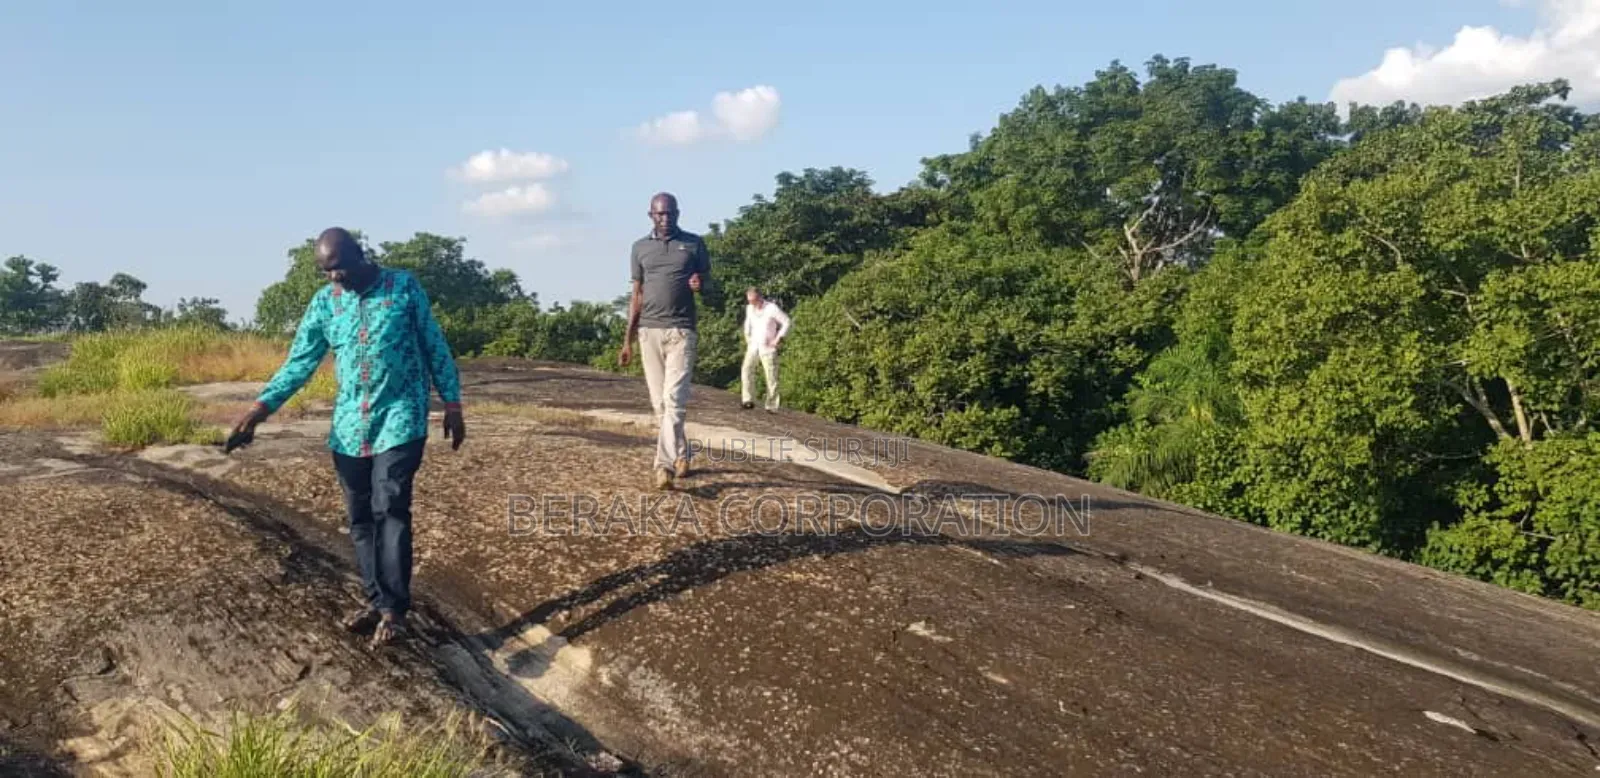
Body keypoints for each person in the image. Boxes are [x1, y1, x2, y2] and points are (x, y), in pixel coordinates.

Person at [227, 227, 466, 647]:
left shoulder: (403, 287)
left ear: (360, 254)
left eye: (339, 267)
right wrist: (259, 409)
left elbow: (434, 344)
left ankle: (394, 610)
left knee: (390, 506)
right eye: (326, 271)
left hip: (400, 416)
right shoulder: (325, 303)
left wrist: (453, 403)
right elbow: (299, 362)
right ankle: (377, 600)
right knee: (360, 518)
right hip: (350, 427)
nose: (334, 277)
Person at [619, 192, 713, 490]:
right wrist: (628, 339)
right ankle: (682, 453)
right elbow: (636, 295)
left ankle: (664, 466)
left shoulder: (694, 244)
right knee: (660, 405)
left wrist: (700, 285)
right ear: (651, 215)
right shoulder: (639, 248)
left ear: (678, 214)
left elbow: (710, 284)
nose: (665, 218)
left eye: (670, 213)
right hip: (649, 331)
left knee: (675, 401)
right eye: (660, 214)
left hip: (681, 331)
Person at [740, 287, 790, 411]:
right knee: (746, 370)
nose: (751, 303)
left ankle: (772, 405)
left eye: (753, 300)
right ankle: (748, 399)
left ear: (759, 297)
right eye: (749, 300)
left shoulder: (771, 308)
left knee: (771, 376)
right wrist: (747, 338)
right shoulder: (749, 309)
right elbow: (748, 324)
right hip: (753, 346)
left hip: (767, 347)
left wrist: (778, 338)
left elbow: (786, 322)